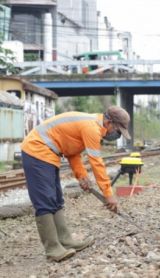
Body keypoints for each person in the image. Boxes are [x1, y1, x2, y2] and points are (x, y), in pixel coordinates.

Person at [21, 106, 132, 261]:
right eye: (117, 129)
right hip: (37, 151)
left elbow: (72, 151)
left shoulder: (92, 125)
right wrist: (108, 194)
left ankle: (66, 241)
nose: (116, 134)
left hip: (49, 154)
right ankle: (53, 249)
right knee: (45, 200)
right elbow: (97, 163)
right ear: (108, 122)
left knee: (56, 199)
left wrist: (81, 176)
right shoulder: (92, 128)